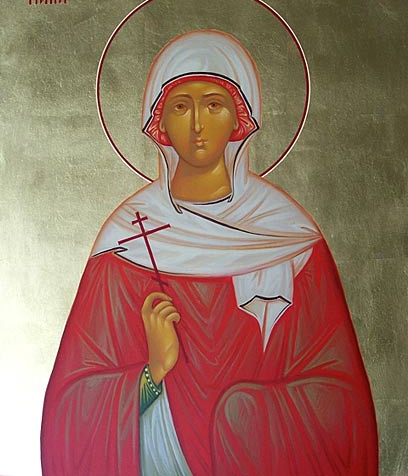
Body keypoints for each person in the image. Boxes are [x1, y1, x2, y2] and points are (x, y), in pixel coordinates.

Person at [41, 30, 378, 475]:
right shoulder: (125, 243)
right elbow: (70, 408)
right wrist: (150, 374)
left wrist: (246, 416)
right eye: (181, 107)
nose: (197, 124)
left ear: (239, 119)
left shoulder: (288, 239)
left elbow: (341, 399)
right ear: (160, 123)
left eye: (214, 104)